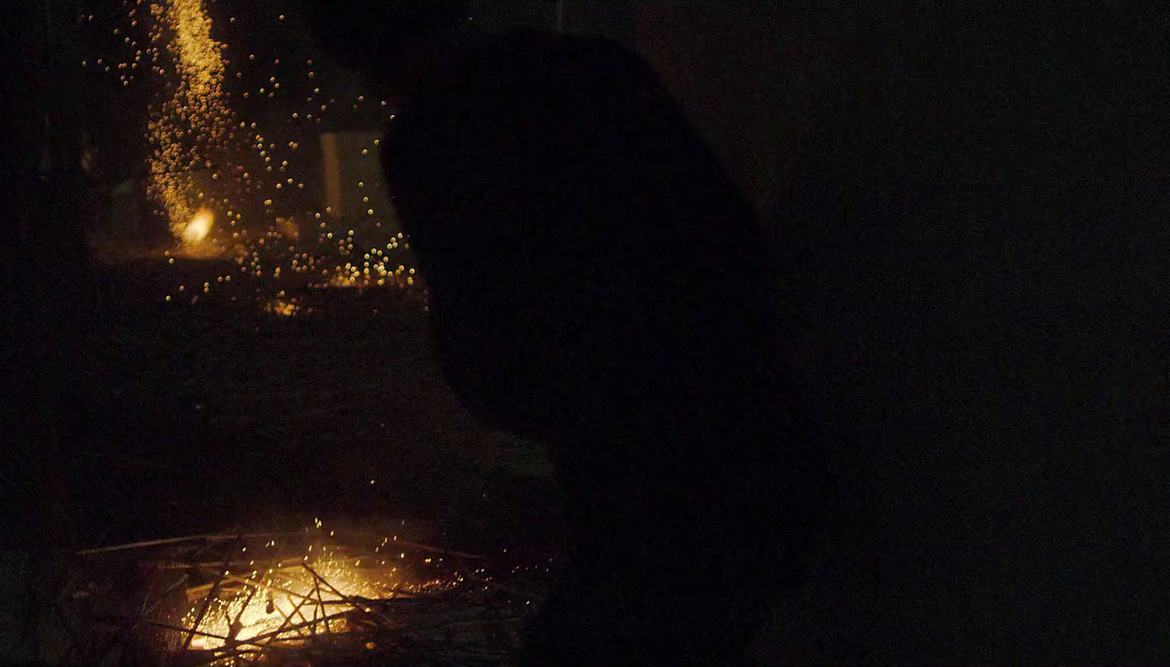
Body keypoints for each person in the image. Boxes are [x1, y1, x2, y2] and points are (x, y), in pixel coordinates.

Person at [306, 3, 838, 664]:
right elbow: (734, 245)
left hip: (654, 496)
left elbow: (490, 356)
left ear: (370, 62)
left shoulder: (433, 140)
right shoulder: (597, 70)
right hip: (765, 451)